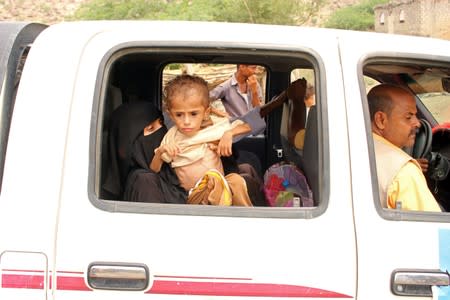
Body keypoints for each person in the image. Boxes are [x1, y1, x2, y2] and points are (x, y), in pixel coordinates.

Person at [151, 74, 253, 206]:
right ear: (170, 115)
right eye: (179, 115)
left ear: (206, 112)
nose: (186, 122)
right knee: (212, 180)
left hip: (221, 186)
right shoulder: (172, 136)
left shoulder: (215, 127)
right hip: (194, 195)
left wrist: (229, 134)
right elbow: (154, 170)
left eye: (194, 114)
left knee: (236, 180)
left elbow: (247, 126)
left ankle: (245, 216)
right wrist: (160, 153)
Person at [367, 83, 441, 212]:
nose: (417, 123)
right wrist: (406, 169)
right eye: (408, 117)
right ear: (381, 120)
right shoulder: (403, 173)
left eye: (416, 115)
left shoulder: (348, 147)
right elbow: (433, 229)